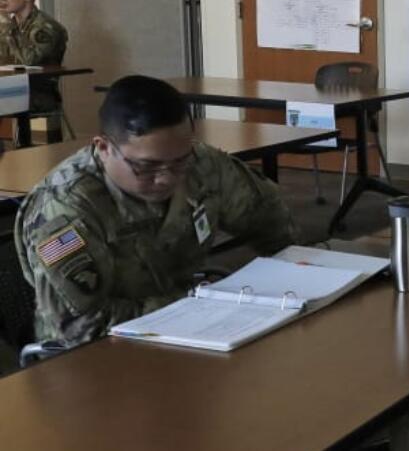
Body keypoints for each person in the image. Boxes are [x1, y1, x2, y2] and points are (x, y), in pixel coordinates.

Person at [16, 75, 296, 346]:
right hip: (96, 357)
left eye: (179, 162)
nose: (166, 178)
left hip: (194, 333)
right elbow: (82, 326)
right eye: (146, 167)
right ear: (103, 148)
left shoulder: (202, 165)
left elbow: (268, 219)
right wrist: (194, 306)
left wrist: (290, 275)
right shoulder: (64, 209)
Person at [0, 0, 69, 113]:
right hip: (10, 87)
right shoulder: (12, 26)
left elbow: (29, 60)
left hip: (39, 93)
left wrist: (6, 26)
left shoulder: (46, 27)